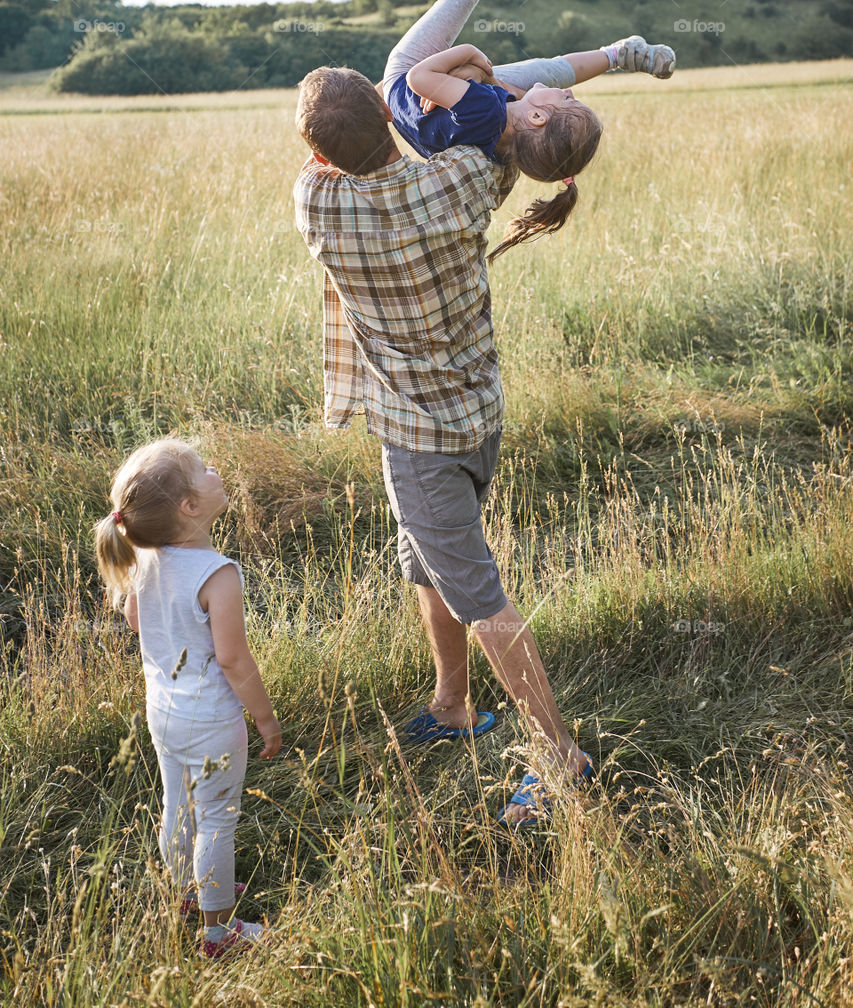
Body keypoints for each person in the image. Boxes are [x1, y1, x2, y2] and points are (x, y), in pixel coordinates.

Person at [293, 60, 590, 826]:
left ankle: (560, 756)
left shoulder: (317, 201)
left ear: (321, 156)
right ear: (394, 122)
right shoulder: (462, 178)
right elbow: (490, 132)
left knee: (477, 593)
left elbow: (332, 159)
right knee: (422, 558)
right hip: (478, 414)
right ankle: (452, 702)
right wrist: (463, 74)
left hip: (418, 440)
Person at [381, 0, 676, 258]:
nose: (571, 94)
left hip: (409, 73)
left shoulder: (486, 112)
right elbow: (506, 102)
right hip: (456, 103)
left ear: (537, 115)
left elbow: (417, 77)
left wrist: (471, 58)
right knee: (550, 71)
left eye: (568, 103)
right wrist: (481, 80)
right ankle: (621, 54)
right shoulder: (512, 148)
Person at [95, 438, 282, 957]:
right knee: (217, 822)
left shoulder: (146, 559)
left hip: (163, 713)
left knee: (177, 809)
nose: (215, 469)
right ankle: (219, 933)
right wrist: (266, 721)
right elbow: (233, 660)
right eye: (202, 469)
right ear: (190, 507)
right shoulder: (216, 574)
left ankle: (186, 895)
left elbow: (135, 619)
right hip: (213, 721)